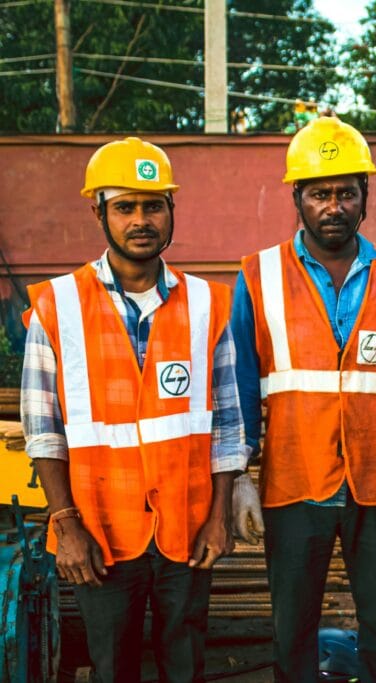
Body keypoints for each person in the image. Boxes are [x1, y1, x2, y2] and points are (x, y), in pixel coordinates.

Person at [21, 137, 246, 682]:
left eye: (154, 205)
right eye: (125, 207)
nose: (141, 220)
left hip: (188, 533)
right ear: (98, 211)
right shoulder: (57, 305)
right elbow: (43, 431)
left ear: (172, 210)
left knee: (185, 663)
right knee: (113, 666)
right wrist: (65, 523)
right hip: (100, 531)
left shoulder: (208, 304)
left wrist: (219, 516)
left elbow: (228, 425)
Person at [230, 116, 376, 682]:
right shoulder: (259, 275)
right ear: (296, 198)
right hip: (294, 478)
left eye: (346, 193)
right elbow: (240, 382)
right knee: (293, 626)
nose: (334, 206)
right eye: (319, 193)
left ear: (365, 196)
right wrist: (238, 474)